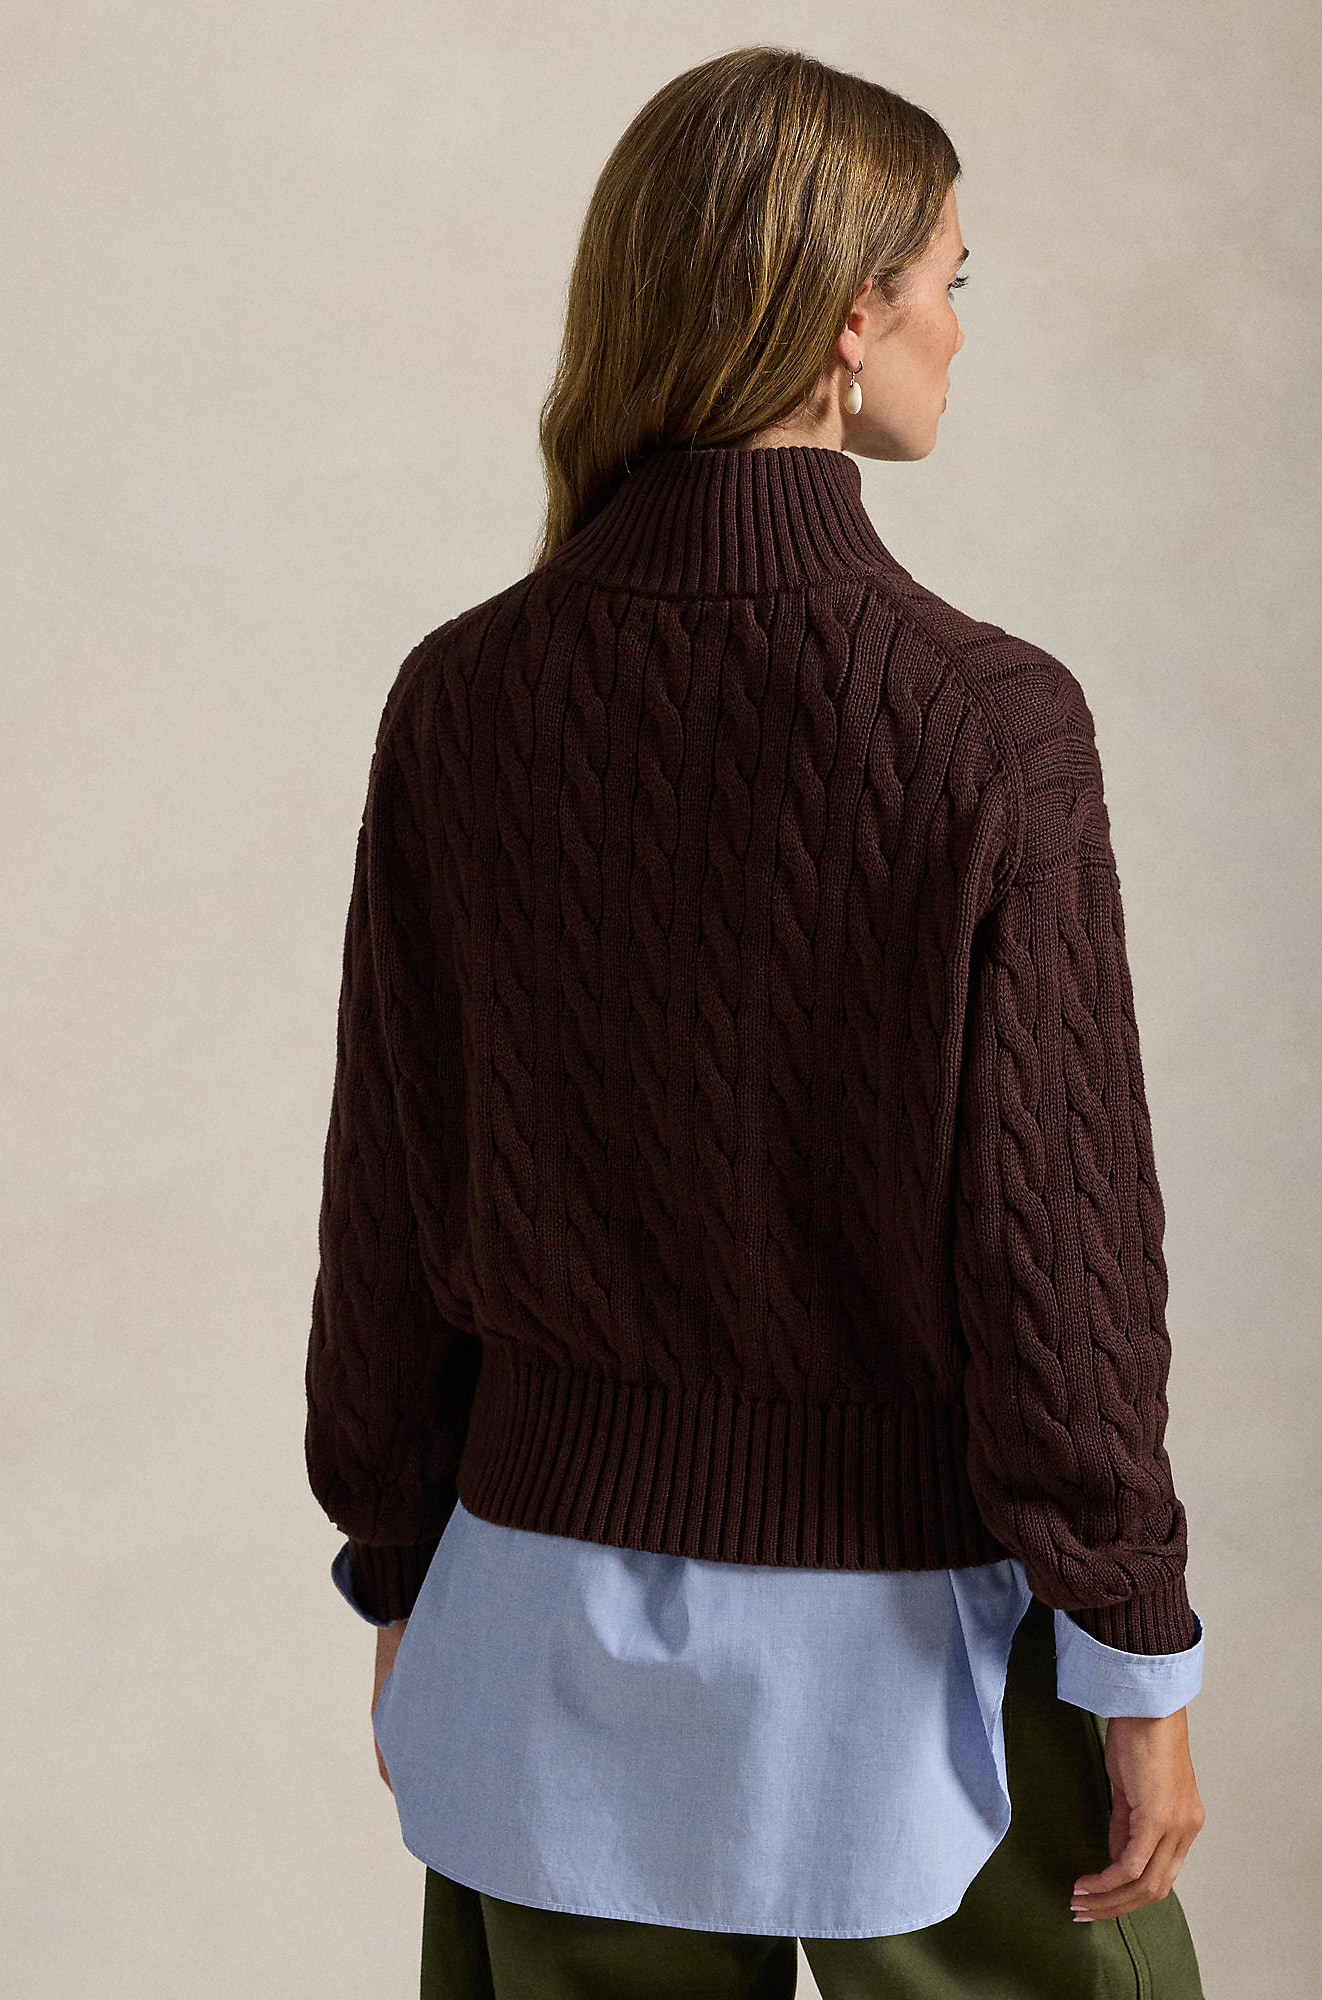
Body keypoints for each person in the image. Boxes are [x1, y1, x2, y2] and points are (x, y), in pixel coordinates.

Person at [304, 44, 1209, 2000]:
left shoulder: (462, 698)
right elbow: (1057, 1260)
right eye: (951, 279)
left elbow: (389, 1197)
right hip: (923, 1645)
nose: (962, 328)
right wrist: (1134, 1651)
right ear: (847, 319)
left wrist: (400, 1561)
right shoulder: (983, 725)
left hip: (532, 1624)